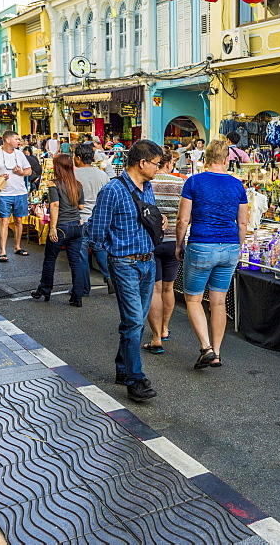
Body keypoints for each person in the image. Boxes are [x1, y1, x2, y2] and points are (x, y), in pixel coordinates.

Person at [90, 139, 165, 402]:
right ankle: (135, 379)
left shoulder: (148, 188)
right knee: (134, 322)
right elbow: (96, 232)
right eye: (157, 164)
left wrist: (158, 220)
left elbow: (148, 216)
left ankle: (123, 368)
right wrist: (109, 268)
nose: (159, 168)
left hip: (147, 261)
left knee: (135, 321)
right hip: (124, 263)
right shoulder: (112, 190)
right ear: (142, 163)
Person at [176, 139, 248, 370]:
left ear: (204, 159)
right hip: (229, 247)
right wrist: (239, 246)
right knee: (218, 303)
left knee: (194, 299)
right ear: (227, 160)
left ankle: (206, 347)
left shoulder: (194, 182)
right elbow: (243, 222)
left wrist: (179, 244)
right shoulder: (238, 185)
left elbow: (182, 220)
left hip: (201, 245)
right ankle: (216, 352)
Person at [31, 153, 85, 307]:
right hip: (76, 226)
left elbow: (54, 205)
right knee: (75, 262)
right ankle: (77, 296)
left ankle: (44, 289)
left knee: (50, 258)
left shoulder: (53, 184)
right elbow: (81, 206)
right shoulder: (77, 184)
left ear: (58, 167)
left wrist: (53, 228)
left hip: (61, 226)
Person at [145, 158, 185, 353]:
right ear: (168, 163)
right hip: (173, 242)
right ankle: (164, 328)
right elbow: (185, 216)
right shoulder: (180, 183)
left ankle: (155, 337)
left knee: (154, 290)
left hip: (151, 241)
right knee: (169, 289)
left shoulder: (146, 183)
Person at [0, 131, 33, 262]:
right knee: (4, 221)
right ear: (7, 140)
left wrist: (21, 172)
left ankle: (17, 246)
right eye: (16, 139)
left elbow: (29, 170)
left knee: (18, 220)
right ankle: (3, 251)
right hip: (3, 193)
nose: (19, 141)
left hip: (20, 192)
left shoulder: (20, 154)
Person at [74, 143, 113, 296]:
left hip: (81, 219)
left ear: (78, 158)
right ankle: (110, 277)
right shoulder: (102, 175)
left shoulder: (74, 176)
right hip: (98, 220)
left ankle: (84, 288)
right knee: (100, 249)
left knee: (82, 255)